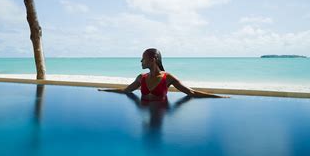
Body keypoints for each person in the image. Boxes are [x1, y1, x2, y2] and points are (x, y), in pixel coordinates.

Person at [98, 48, 229, 100]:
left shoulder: (168, 78)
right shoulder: (141, 78)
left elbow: (191, 92)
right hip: (145, 114)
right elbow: (126, 91)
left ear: (153, 59)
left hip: (161, 117)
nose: (141, 61)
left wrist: (218, 97)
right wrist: (105, 90)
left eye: (143, 58)